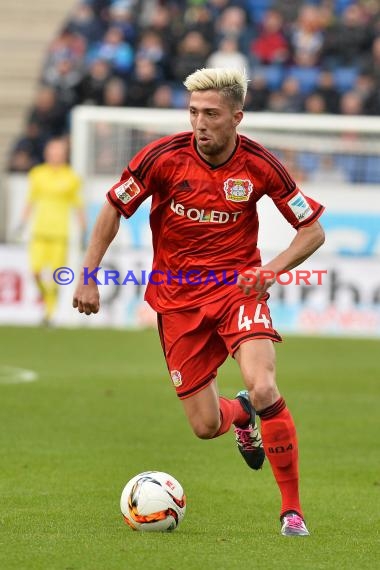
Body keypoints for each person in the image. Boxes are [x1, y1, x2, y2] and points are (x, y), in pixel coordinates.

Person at [72, 68, 325, 536]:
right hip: (178, 301)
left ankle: (292, 511)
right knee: (207, 426)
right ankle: (241, 412)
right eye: (193, 113)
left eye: (210, 113)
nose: (199, 123)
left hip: (236, 291)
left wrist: (269, 270)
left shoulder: (259, 165)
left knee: (265, 385)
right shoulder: (163, 157)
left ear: (236, 117)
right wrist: (88, 274)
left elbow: (311, 230)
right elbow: (113, 206)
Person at [20, 137, 86, 325]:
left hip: (60, 234)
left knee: (57, 276)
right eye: (53, 151)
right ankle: (47, 300)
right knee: (35, 272)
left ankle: (49, 313)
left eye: (59, 152)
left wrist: (83, 229)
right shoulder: (37, 174)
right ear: (46, 153)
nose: (55, 155)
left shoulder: (72, 177)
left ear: (64, 155)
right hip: (39, 231)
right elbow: (30, 201)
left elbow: (78, 205)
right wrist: (21, 223)